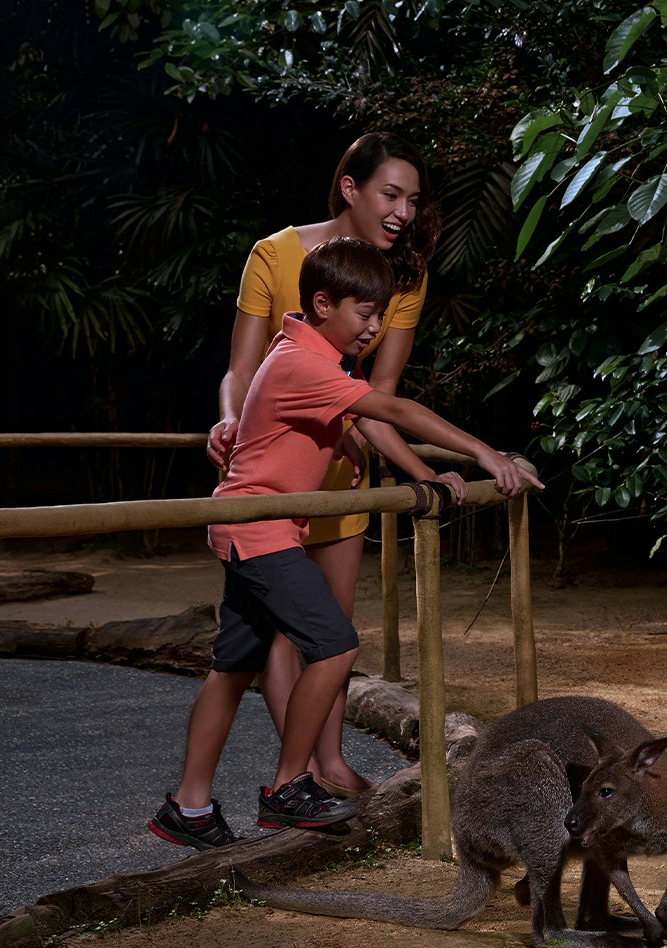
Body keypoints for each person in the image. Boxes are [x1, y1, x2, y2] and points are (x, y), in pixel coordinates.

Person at [150, 236, 544, 848]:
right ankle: (287, 789)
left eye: (381, 314)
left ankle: (188, 808)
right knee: (334, 645)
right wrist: (483, 454)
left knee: (232, 670)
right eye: (365, 314)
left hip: (251, 524)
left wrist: (423, 474)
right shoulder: (301, 365)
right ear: (324, 303)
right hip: (261, 528)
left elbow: (365, 421)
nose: (375, 327)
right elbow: (397, 409)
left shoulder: (309, 356)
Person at [207, 132, 444, 799]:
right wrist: (229, 420)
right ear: (350, 188)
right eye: (390, 195)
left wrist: (409, 468)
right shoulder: (275, 254)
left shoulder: (405, 275)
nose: (403, 212)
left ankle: (329, 762)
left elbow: (382, 390)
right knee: (285, 633)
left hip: (343, 473)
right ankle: (300, 775)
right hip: (272, 470)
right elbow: (241, 370)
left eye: (412, 200)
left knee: (332, 633)